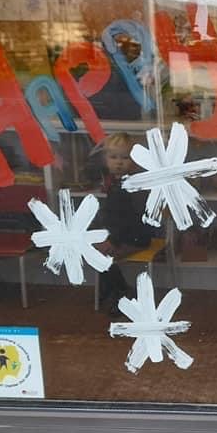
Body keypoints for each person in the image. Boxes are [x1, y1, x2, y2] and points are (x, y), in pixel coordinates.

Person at [93, 133, 153, 315]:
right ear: (106, 160)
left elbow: (129, 220)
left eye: (125, 158)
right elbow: (113, 216)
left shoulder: (132, 186)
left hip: (134, 237)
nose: (118, 162)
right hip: (120, 234)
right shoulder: (115, 182)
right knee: (93, 250)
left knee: (101, 256)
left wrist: (113, 240)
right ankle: (112, 289)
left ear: (134, 161)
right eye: (113, 157)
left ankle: (122, 292)